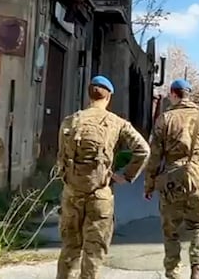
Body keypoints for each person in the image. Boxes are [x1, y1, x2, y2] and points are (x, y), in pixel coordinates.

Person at [55, 75, 151, 279]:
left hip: (71, 193)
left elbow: (61, 155)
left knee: (70, 249)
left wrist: (68, 176)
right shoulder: (117, 123)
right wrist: (125, 175)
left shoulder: (70, 120)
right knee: (94, 251)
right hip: (100, 194)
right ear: (108, 98)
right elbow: (143, 149)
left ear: (89, 94)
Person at [144, 79, 199, 279]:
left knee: (171, 232)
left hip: (172, 179)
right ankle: (197, 267)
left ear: (173, 94)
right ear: (189, 95)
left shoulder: (164, 119)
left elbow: (154, 155)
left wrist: (149, 183)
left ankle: (173, 273)